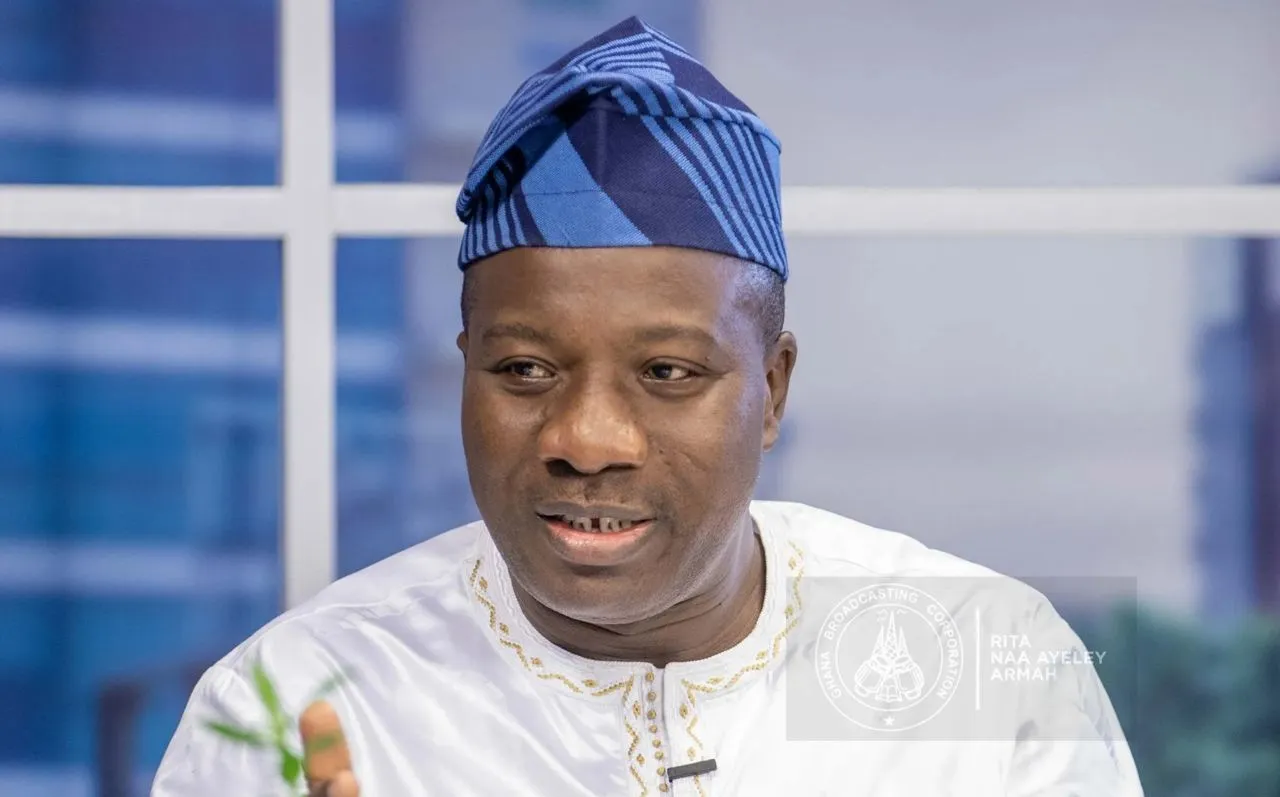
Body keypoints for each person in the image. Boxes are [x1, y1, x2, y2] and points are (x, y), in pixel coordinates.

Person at [152, 17, 1143, 797]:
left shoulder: (984, 670)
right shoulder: (297, 704)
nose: (586, 440)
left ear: (771, 389)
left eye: (666, 372)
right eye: (524, 369)